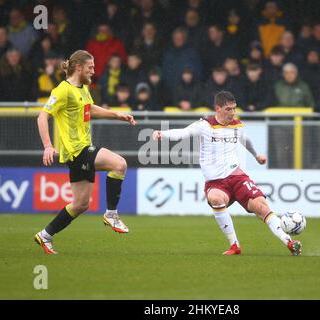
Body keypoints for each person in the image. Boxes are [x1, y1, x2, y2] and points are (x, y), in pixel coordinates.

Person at [152, 91, 302, 256]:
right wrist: (162, 134)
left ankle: (289, 241)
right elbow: (183, 133)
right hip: (216, 183)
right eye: (228, 109)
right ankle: (235, 245)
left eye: (234, 109)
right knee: (216, 199)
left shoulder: (237, 125)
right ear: (218, 109)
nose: (233, 113)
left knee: (261, 207)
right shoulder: (205, 125)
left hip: (237, 177)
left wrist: (256, 155)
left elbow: (245, 140)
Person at [34, 50, 136, 254]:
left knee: (80, 204)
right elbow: (42, 117)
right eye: (90, 67)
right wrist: (47, 145)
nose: (93, 71)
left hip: (80, 152)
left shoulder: (82, 89)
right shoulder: (62, 90)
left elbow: (90, 109)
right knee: (119, 164)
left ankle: (45, 235)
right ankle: (111, 213)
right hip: (77, 149)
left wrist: (116, 115)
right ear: (78, 67)